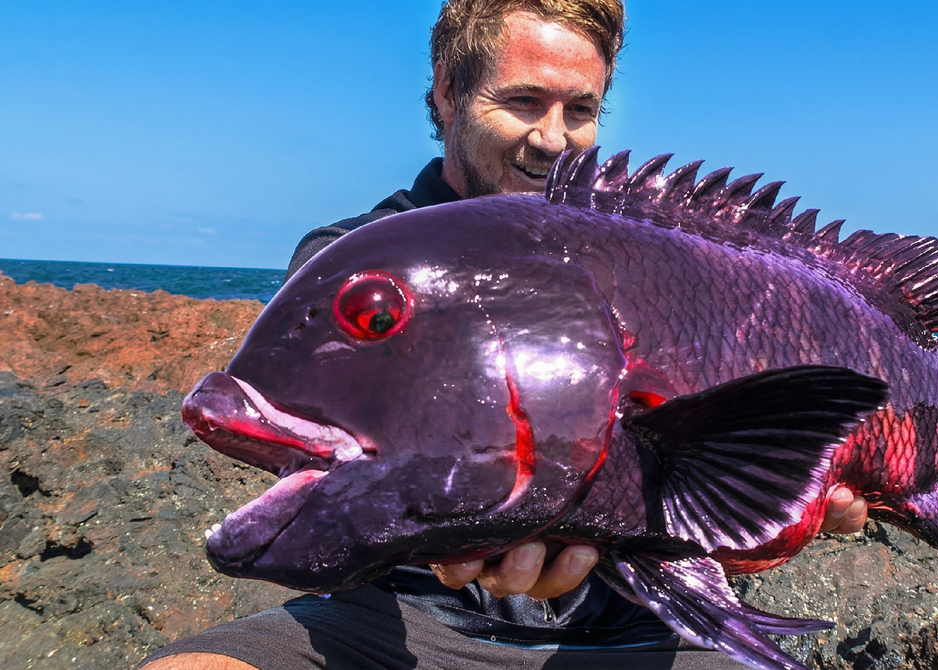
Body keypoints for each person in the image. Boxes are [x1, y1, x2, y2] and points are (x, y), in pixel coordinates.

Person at [140, 2, 867, 668]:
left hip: (653, 629)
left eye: (580, 109)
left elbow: (731, 461)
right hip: (409, 623)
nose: (553, 138)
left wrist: (786, 492)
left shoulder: (658, 262)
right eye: (523, 101)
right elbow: (351, 490)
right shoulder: (360, 256)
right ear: (448, 94)